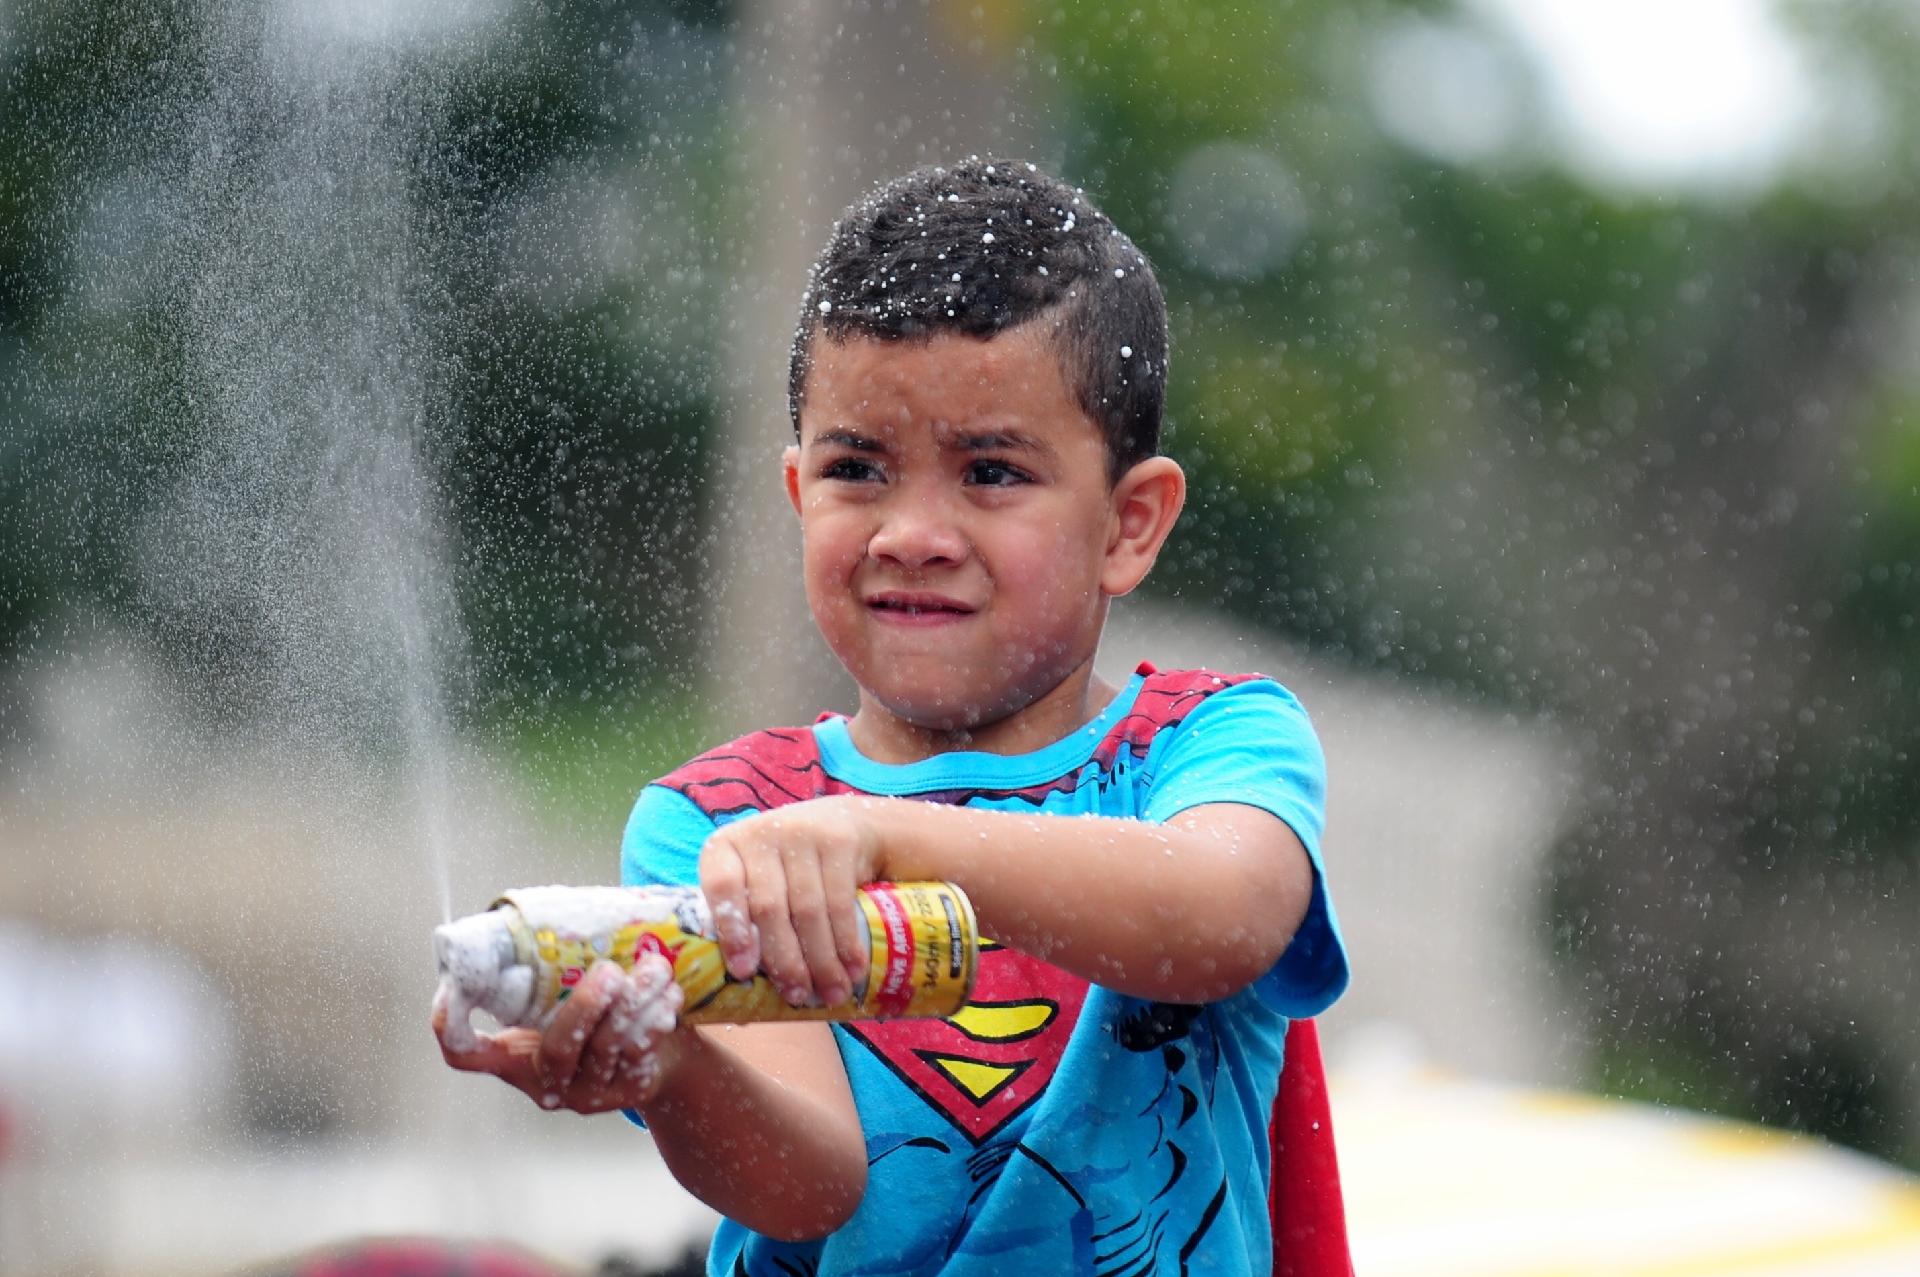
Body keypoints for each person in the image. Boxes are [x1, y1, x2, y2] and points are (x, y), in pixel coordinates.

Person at [437, 158, 1351, 1276]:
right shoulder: (718, 822)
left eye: (993, 472)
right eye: (859, 467)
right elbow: (810, 1185)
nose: (912, 530)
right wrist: (672, 1069)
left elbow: (1222, 917)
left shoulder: (1207, 744)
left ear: (1129, 523)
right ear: (796, 494)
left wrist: (888, 840)